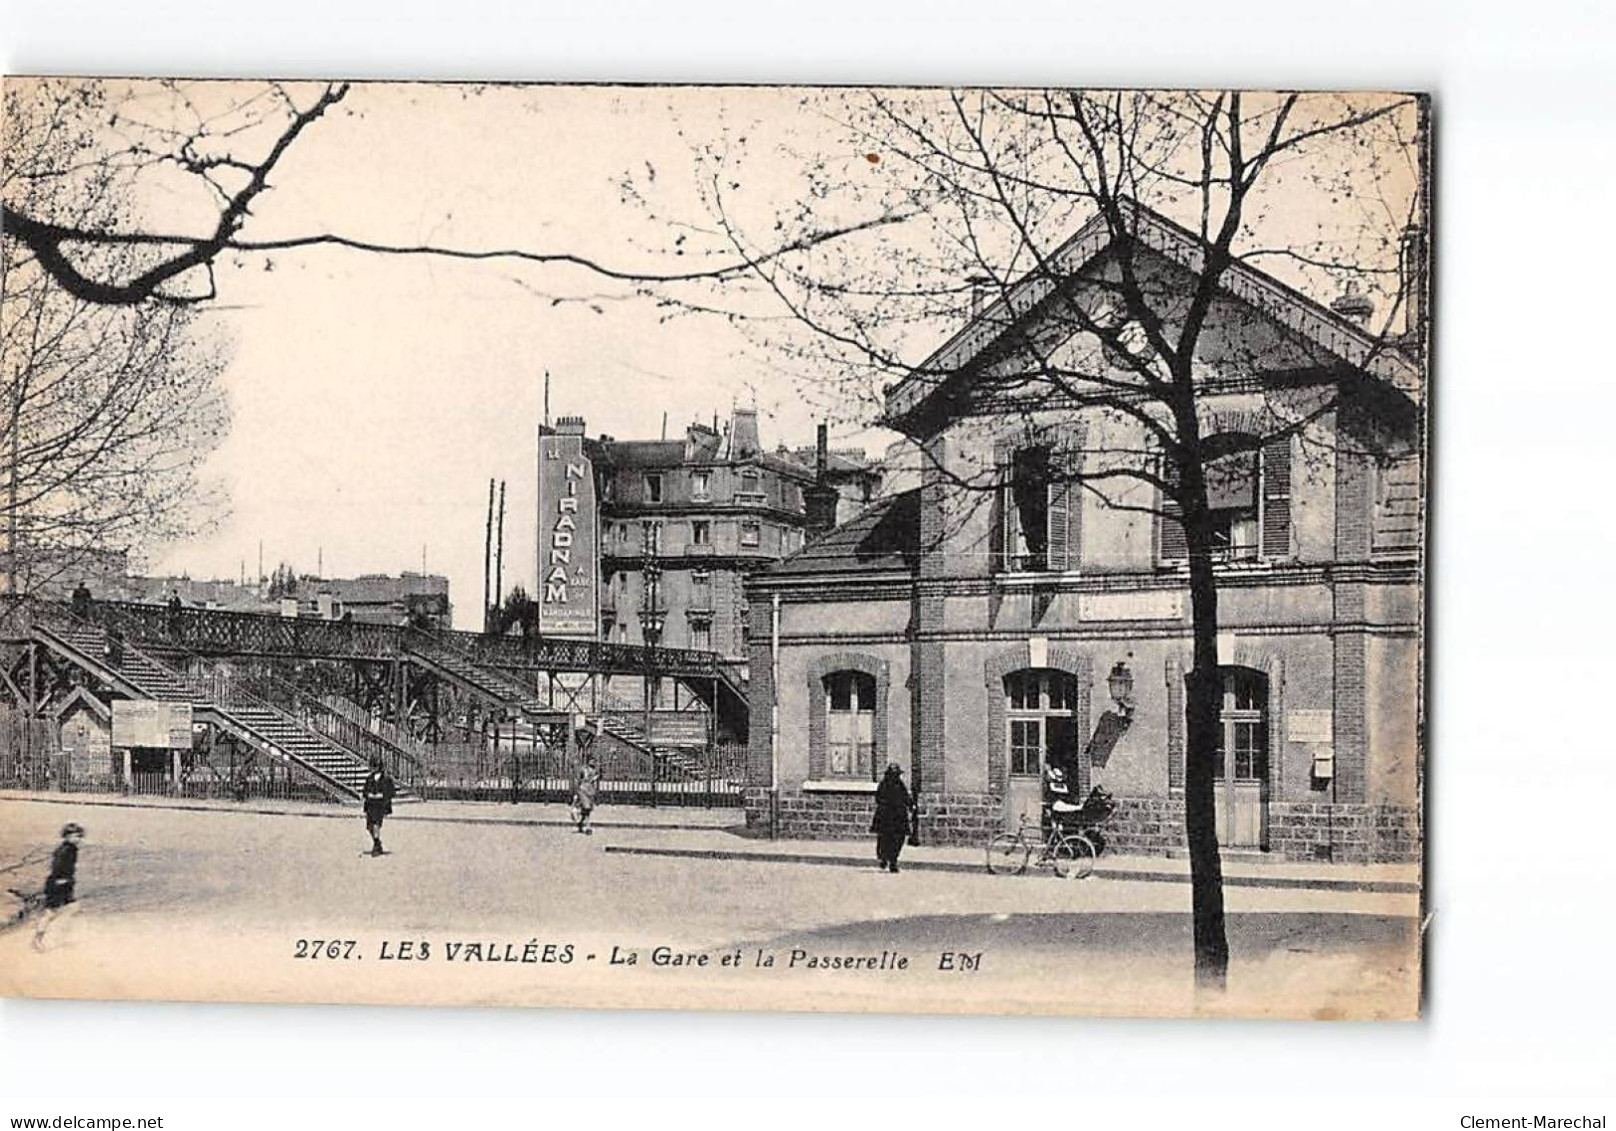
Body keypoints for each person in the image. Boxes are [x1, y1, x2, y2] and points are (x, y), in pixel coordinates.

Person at [35, 822, 85, 951]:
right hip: (57, 884)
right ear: (67, 836)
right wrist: (61, 880)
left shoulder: (72, 849)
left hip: (65, 883)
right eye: (75, 836)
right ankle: (38, 939)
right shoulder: (65, 850)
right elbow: (56, 866)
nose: (78, 839)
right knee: (50, 913)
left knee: (73, 907)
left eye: (80, 836)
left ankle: (61, 936)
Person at [871, 763, 913, 873]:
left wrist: (910, 805)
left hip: (896, 817)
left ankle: (891, 860)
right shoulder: (884, 785)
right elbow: (879, 798)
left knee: (897, 839)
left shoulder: (899, 785)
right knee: (886, 839)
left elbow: (906, 797)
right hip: (888, 817)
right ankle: (886, 859)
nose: (895, 776)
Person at [362, 756, 395, 856]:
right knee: (369, 826)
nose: (373, 768)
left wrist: (382, 796)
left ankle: (376, 845)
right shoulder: (369, 778)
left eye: (375, 766)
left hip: (380, 804)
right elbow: (365, 791)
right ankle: (377, 842)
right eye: (372, 766)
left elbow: (391, 792)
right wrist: (368, 794)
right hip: (370, 804)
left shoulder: (386, 779)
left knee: (376, 824)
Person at [571, 752, 601, 834]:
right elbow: (578, 780)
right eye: (591, 760)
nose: (593, 762)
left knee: (587, 810)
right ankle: (588, 827)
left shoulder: (595, 771)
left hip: (590, 791)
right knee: (586, 808)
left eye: (594, 761)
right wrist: (576, 793)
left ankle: (580, 823)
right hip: (583, 790)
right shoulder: (583, 769)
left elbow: (596, 780)